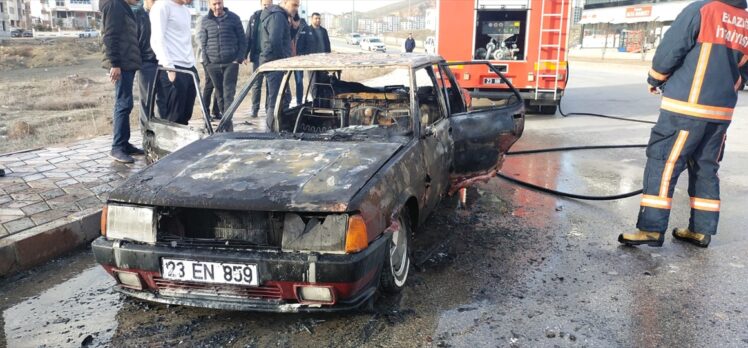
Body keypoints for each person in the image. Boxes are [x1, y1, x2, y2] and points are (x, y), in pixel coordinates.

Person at [619, 0, 748, 248]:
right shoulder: (744, 20)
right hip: (720, 112)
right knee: (705, 167)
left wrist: (655, 77)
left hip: (686, 107)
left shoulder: (702, 10)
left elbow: (672, 49)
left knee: (664, 162)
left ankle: (651, 229)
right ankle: (700, 230)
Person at [100, 0, 143, 163]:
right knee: (123, 103)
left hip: (127, 62)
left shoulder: (122, 6)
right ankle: (117, 147)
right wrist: (115, 63)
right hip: (121, 63)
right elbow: (110, 35)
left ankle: (124, 144)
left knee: (126, 103)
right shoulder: (114, 5)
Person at [150, 0, 197, 125]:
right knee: (172, 118)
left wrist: (193, 65)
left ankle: (184, 144)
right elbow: (156, 39)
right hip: (172, 67)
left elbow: (186, 40)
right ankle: (170, 144)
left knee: (186, 114)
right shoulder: (162, 6)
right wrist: (169, 67)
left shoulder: (186, 11)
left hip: (188, 67)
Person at [199, 0, 246, 121]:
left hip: (230, 63)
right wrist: (207, 62)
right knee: (219, 94)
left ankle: (227, 122)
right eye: (214, 4)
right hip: (212, 64)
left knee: (228, 94)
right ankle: (224, 120)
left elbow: (243, 40)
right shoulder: (205, 21)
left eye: (219, 3)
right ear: (209, 4)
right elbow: (203, 43)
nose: (217, 7)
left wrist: (239, 59)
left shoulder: (234, 18)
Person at [260, 0, 300, 130]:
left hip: (277, 63)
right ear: (284, 2)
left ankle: (280, 127)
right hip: (275, 64)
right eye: (294, 5)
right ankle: (271, 132)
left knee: (285, 97)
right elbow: (275, 41)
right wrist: (283, 62)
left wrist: (294, 28)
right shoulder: (277, 16)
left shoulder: (281, 16)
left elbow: (284, 39)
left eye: (298, 5)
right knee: (275, 101)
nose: (296, 8)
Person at [134, 0, 168, 128]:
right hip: (146, 63)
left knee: (164, 99)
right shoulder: (138, 14)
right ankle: (146, 133)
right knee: (147, 101)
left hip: (163, 62)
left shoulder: (162, 12)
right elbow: (134, 39)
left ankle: (164, 131)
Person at [245, 0, 273, 118]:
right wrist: (244, 54)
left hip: (271, 57)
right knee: (257, 84)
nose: (266, 6)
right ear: (261, 4)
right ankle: (254, 109)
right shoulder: (254, 17)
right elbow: (248, 37)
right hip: (257, 56)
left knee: (269, 84)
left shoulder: (274, 18)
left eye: (268, 3)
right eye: (264, 4)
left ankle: (268, 109)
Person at [195, 14, 220, 120]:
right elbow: (198, 38)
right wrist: (209, 52)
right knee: (210, 83)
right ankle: (205, 112)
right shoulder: (203, 19)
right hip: (207, 58)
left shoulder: (222, 17)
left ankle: (216, 111)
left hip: (219, 58)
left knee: (219, 84)